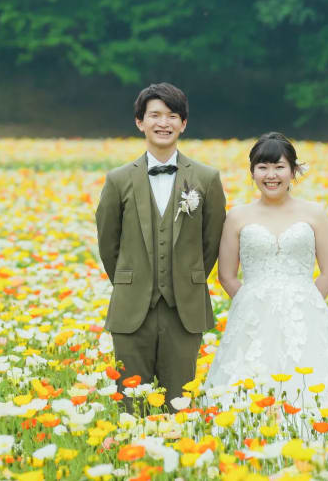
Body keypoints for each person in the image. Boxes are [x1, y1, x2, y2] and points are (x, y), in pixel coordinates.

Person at [95, 83, 227, 411]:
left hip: (185, 309)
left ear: (184, 123)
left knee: (179, 404)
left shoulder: (207, 179)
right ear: (140, 122)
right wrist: (131, 279)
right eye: (154, 115)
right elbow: (107, 243)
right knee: (130, 404)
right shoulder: (119, 179)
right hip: (131, 309)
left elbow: (211, 243)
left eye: (172, 115)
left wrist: (186, 277)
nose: (163, 123)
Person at [204, 132, 328, 403]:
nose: (270, 175)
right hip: (251, 316)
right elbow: (226, 275)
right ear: (252, 173)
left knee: (310, 385)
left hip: (305, 314)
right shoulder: (237, 216)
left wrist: (304, 303)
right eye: (262, 167)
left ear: (293, 171)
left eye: (279, 167)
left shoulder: (314, 213)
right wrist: (252, 304)